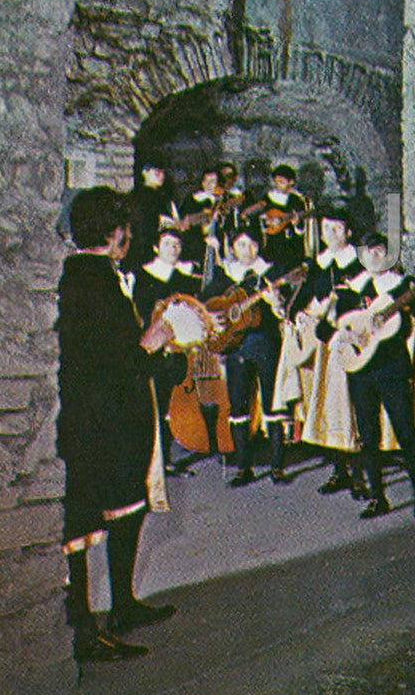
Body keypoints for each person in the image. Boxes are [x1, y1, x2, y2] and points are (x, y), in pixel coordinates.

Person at [56, 187, 177, 662]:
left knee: (124, 510)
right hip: (104, 420)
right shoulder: (97, 283)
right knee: (90, 520)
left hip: (98, 416)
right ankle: (86, 629)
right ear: (115, 234)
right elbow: (116, 362)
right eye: (125, 229)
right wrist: (153, 340)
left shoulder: (83, 275)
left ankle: (122, 606)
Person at [322, 231, 415, 521]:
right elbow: (330, 328)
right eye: (368, 251)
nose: (374, 256)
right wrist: (348, 339)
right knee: (368, 434)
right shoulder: (351, 289)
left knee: (406, 432)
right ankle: (378, 497)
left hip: (392, 367)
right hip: (361, 370)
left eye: (379, 251)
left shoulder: (404, 286)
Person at [287, 208, 369, 498]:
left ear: (348, 233)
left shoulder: (360, 262)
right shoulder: (318, 264)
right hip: (326, 344)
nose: (329, 234)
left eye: (336, 228)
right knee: (329, 403)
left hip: (352, 342)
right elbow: (302, 297)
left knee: (353, 406)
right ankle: (339, 471)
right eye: (325, 229)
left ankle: (360, 475)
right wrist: (299, 313)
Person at [201, 229, 289, 486]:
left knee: (274, 404)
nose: (246, 250)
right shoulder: (224, 274)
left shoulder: (270, 273)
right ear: (231, 247)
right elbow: (206, 304)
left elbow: (283, 311)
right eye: (240, 245)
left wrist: (276, 303)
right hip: (235, 349)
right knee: (238, 406)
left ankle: (277, 466)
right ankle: (243, 467)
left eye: (251, 245)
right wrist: (214, 320)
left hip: (265, 344)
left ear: (258, 246)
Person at [128, 228, 199, 477]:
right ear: (157, 247)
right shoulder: (143, 275)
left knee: (170, 405)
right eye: (168, 243)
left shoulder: (185, 278)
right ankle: (149, 463)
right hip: (152, 349)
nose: (173, 248)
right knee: (152, 405)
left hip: (178, 350)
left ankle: (166, 459)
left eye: (177, 244)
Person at [245, 163, 309, 272]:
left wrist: (297, 223)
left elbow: (301, 228)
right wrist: (265, 220)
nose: (278, 185)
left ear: (291, 182)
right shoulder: (268, 197)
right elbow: (259, 217)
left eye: (282, 182)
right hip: (271, 243)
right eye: (276, 181)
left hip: (290, 245)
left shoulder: (297, 200)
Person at [124, 159, 175, 274]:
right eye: (157, 173)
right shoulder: (142, 196)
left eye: (163, 173)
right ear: (145, 173)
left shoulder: (159, 196)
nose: (161, 176)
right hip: (144, 249)